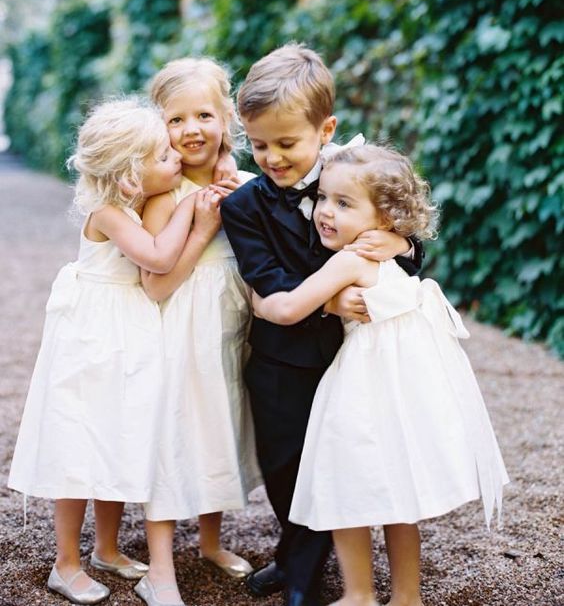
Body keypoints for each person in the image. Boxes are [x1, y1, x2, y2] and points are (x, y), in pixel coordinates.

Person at [253, 143, 510, 606]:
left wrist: (257, 299)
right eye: (324, 199)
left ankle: (359, 594)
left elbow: (289, 308)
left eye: (343, 204)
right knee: (400, 495)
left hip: (364, 382)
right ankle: (406, 597)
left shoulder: (352, 259)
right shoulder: (388, 254)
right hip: (404, 385)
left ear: (386, 218)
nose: (325, 213)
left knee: (344, 481)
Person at [220, 43, 423, 606]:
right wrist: (332, 302)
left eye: (286, 143)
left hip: (358, 357)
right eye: (258, 144)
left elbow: (408, 251)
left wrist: (402, 242)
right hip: (283, 359)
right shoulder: (243, 208)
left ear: (325, 128)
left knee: (347, 458)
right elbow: (268, 280)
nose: (272, 157)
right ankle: (296, 550)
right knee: (285, 468)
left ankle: (305, 579)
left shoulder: (353, 175)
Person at [8, 97, 196, 605]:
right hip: (94, 335)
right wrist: (191, 210)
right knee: (80, 442)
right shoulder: (108, 211)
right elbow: (157, 256)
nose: (176, 156)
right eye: (162, 156)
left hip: (124, 327)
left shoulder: (133, 202)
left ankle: (107, 549)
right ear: (129, 175)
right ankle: (65, 563)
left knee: (118, 433)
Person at [135, 57, 261, 606]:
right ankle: (158, 568)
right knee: (171, 432)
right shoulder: (163, 193)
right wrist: (204, 223)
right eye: (176, 120)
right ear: (158, 127)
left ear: (228, 116)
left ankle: (210, 542)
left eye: (204, 115)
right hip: (178, 330)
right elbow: (156, 285)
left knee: (221, 427)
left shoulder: (246, 183)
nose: (191, 130)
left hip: (230, 329)